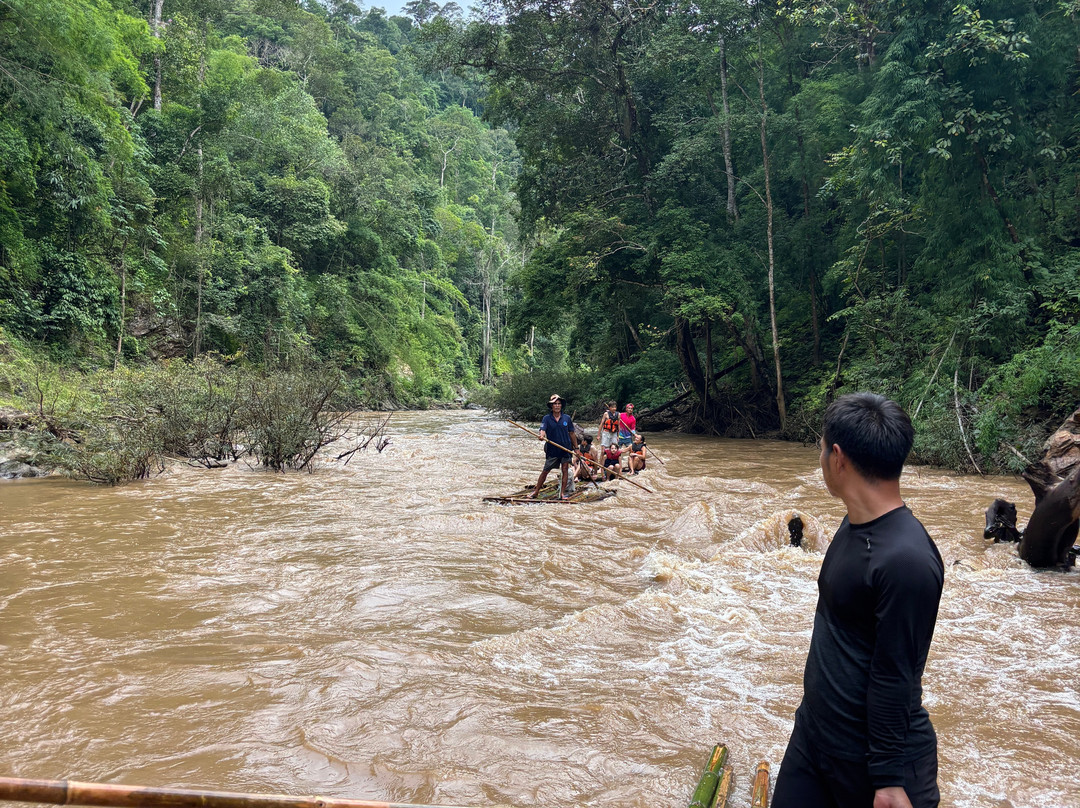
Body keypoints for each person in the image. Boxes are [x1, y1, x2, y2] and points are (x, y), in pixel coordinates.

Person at [772, 393, 944, 808]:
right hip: (815, 738)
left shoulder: (908, 560)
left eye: (820, 449)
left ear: (837, 457)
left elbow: (895, 672)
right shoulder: (854, 525)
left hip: (875, 770)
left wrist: (887, 779)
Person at [529, 393, 579, 500]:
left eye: (558, 404)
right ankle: (536, 491)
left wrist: (576, 448)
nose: (557, 406)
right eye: (555, 404)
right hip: (552, 450)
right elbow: (542, 430)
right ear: (551, 406)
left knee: (565, 469)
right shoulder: (546, 418)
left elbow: (572, 433)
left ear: (561, 405)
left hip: (565, 449)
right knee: (546, 470)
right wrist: (541, 436)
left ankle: (561, 493)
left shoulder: (567, 418)